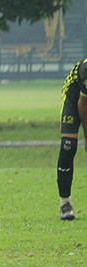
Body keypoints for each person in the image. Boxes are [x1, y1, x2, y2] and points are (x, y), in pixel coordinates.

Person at [57, 58, 87, 220]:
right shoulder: (86, 68)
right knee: (68, 146)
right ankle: (65, 203)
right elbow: (83, 105)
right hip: (74, 95)